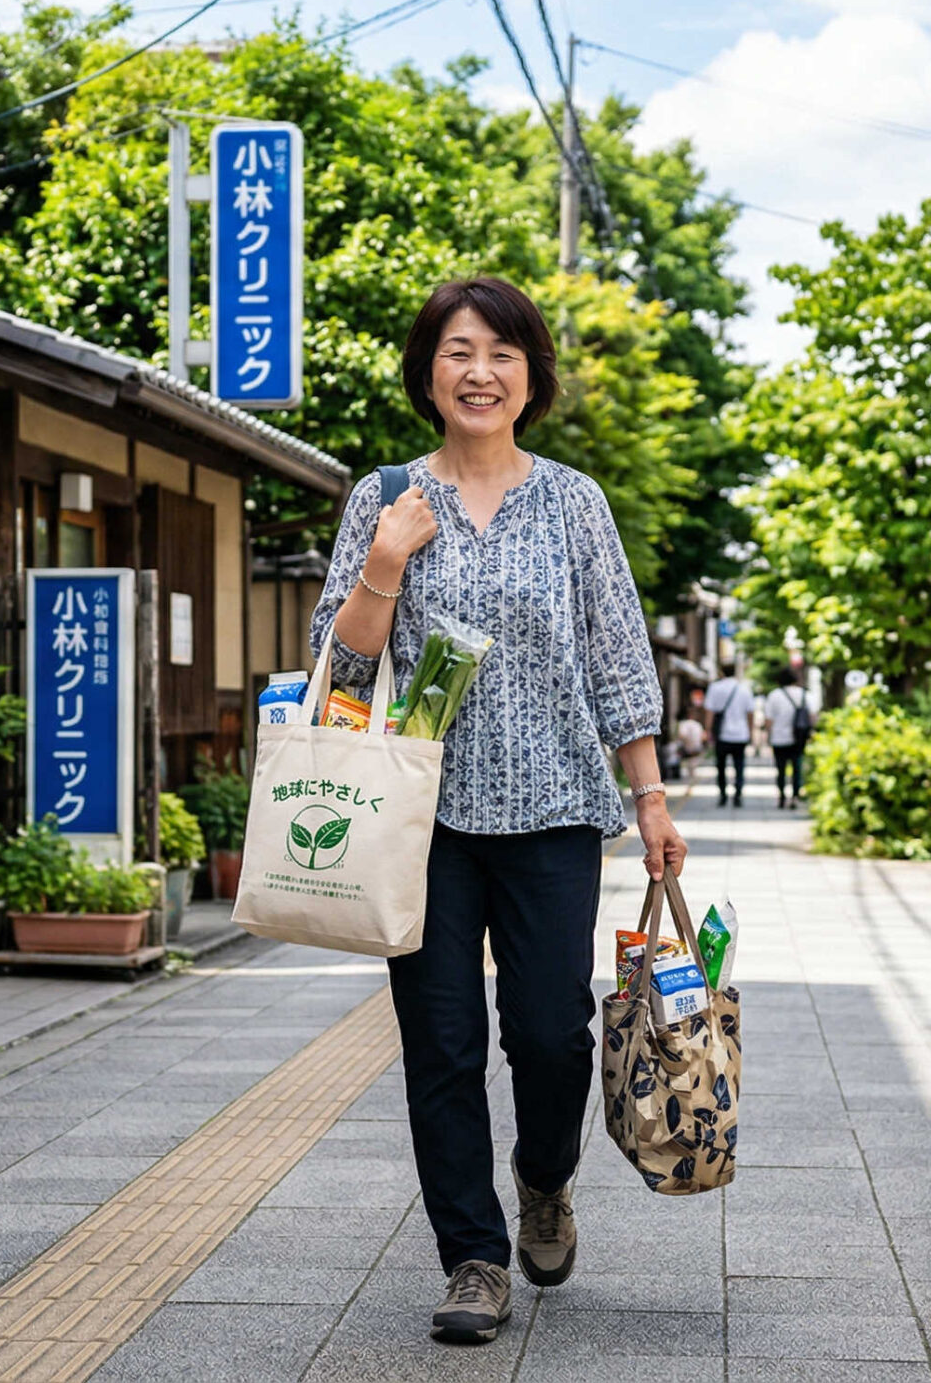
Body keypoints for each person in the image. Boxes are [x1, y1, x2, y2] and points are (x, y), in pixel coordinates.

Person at [313, 277, 684, 1345]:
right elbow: (336, 671)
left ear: (531, 376)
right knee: (438, 1043)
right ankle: (471, 1257)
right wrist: (385, 563)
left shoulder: (572, 501)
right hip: (414, 822)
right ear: (427, 371)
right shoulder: (385, 497)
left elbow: (617, 655)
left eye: (503, 353)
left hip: (555, 809)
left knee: (551, 1035)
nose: (480, 371)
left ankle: (543, 1177)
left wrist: (649, 795)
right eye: (459, 351)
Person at [703, 666, 755, 807]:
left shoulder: (715, 688)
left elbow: (709, 712)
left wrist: (707, 731)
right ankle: (738, 794)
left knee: (721, 766)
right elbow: (750, 713)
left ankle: (723, 795)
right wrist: (751, 732)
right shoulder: (744, 689)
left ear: (721, 672)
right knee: (739, 765)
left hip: (721, 734)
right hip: (741, 734)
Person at [763, 667, 813, 809]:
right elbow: (813, 717)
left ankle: (782, 797)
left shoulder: (774, 695)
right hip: (799, 738)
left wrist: (768, 735)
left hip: (779, 738)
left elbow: (768, 720)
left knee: (781, 769)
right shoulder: (804, 694)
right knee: (797, 768)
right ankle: (795, 797)